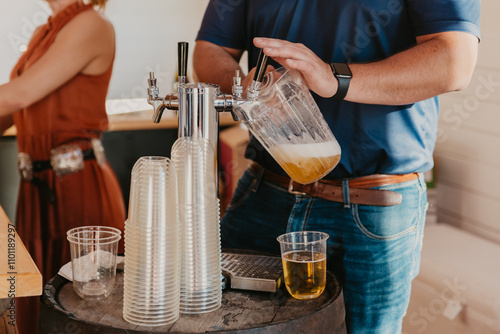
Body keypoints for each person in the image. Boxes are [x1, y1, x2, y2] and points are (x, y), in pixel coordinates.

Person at [193, 1, 480, 333]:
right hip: (264, 192)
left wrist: (335, 79)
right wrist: (243, 87)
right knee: (220, 321)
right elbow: (209, 48)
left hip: (372, 208)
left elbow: (454, 61)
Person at [0, 1, 125, 333]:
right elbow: (13, 111)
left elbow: (19, 95)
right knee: (38, 304)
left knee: (82, 312)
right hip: (36, 191)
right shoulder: (46, 31)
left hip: (77, 188)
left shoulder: (91, 25)